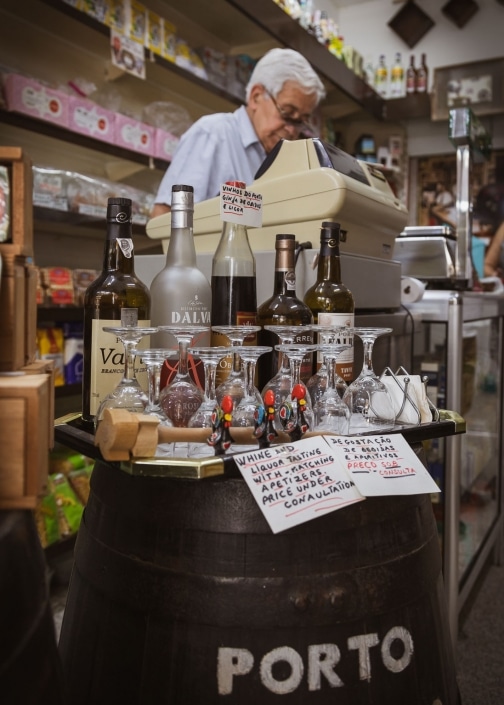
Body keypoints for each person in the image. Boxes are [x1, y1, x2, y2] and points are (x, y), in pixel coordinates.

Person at [151, 48, 326, 217]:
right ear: (256, 96)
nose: (292, 129)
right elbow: (165, 217)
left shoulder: (279, 159)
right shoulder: (213, 134)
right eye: (287, 113)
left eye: (301, 121)